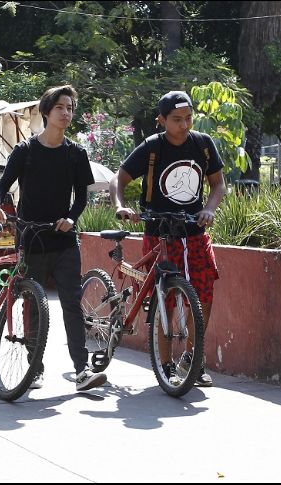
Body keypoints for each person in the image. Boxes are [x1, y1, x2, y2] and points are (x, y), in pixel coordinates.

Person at [0, 84, 107, 393]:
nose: (66, 113)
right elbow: (3, 185)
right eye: (60, 108)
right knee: (33, 302)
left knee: (71, 302)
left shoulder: (76, 153)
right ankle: (34, 366)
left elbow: (81, 196)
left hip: (64, 239)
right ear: (46, 112)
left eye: (70, 108)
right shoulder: (25, 151)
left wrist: (71, 217)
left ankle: (82, 370)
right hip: (31, 238)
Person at [110, 90, 226, 387]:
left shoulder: (203, 145)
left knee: (203, 296)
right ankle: (165, 365)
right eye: (176, 119)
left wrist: (210, 209)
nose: (184, 125)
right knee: (165, 299)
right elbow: (118, 179)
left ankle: (193, 359)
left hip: (195, 233)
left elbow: (218, 184)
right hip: (159, 233)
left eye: (188, 118)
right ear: (161, 120)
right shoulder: (152, 147)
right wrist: (120, 205)